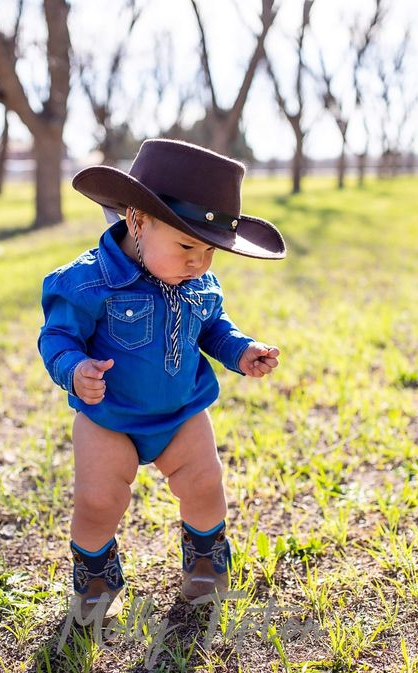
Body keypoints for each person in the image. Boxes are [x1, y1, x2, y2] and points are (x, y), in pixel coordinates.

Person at [37, 138, 286, 618]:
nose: (199, 262)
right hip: (110, 417)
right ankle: (94, 575)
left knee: (205, 482)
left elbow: (212, 326)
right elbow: (56, 338)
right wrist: (74, 369)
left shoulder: (197, 282)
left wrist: (241, 351)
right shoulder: (87, 282)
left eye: (210, 251)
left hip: (180, 413)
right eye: (187, 246)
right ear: (137, 219)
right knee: (98, 500)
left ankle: (205, 560)